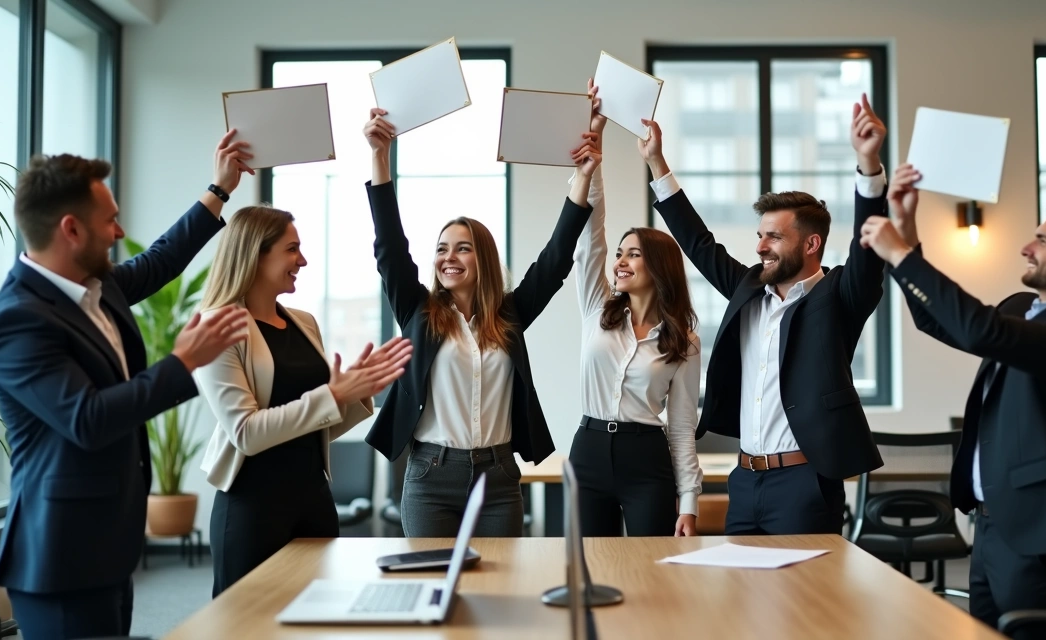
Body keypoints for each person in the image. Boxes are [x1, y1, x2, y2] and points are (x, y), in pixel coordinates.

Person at [0, 132, 255, 639]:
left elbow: (161, 260)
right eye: (109, 220)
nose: (119, 230)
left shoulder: (97, 289)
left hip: (108, 545)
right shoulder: (16, 320)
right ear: (71, 229)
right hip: (60, 558)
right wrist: (183, 362)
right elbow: (88, 419)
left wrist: (219, 189)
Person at [859, 164, 1046, 638]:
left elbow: (979, 329)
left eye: (1043, 241)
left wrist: (902, 255)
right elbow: (938, 322)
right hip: (989, 526)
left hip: (1039, 533)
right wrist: (907, 229)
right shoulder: (1018, 310)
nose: (1027, 247)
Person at [640, 93, 889, 535]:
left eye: (773, 237)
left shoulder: (839, 296)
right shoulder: (748, 289)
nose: (760, 247)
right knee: (743, 600)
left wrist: (868, 166)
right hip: (745, 481)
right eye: (759, 235)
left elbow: (868, 251)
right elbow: (699, 244)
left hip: (804, 485)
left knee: (803, 603)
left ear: (810, 244)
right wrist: (658, 165)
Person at [362, 107, 599, 537]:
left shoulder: (508, 316)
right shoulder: (419, 312)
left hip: (498, 476)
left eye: (462, 248)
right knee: (433, 595)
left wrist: (583, 176)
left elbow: (554, 262)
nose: (448, 258)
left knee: (497, 596)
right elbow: (390, 250)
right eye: (441, 249)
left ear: (482, 258)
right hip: (431, 475)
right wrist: (380, 157)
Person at [192, 205, 413, 597]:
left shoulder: (304, 322)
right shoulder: (216, 326)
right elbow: (246, 432)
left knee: (314, 619)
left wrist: (356, 390)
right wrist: (332, 393)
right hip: (253, 508)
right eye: (292, 249)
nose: (303, 260)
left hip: (313, 498)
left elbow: (315, 426)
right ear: (254, 254)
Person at [571, 80, 702, 537]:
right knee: (589, 569)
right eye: (621, 253)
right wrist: (595, 153)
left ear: (659, 267)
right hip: (587, 453)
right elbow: (591, 234)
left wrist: (689, 501)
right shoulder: (597, 308)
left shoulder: (683, 340)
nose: (620, 261)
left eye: (634, 254)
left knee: (653, 571)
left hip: (647, 458)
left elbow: (683, 426)